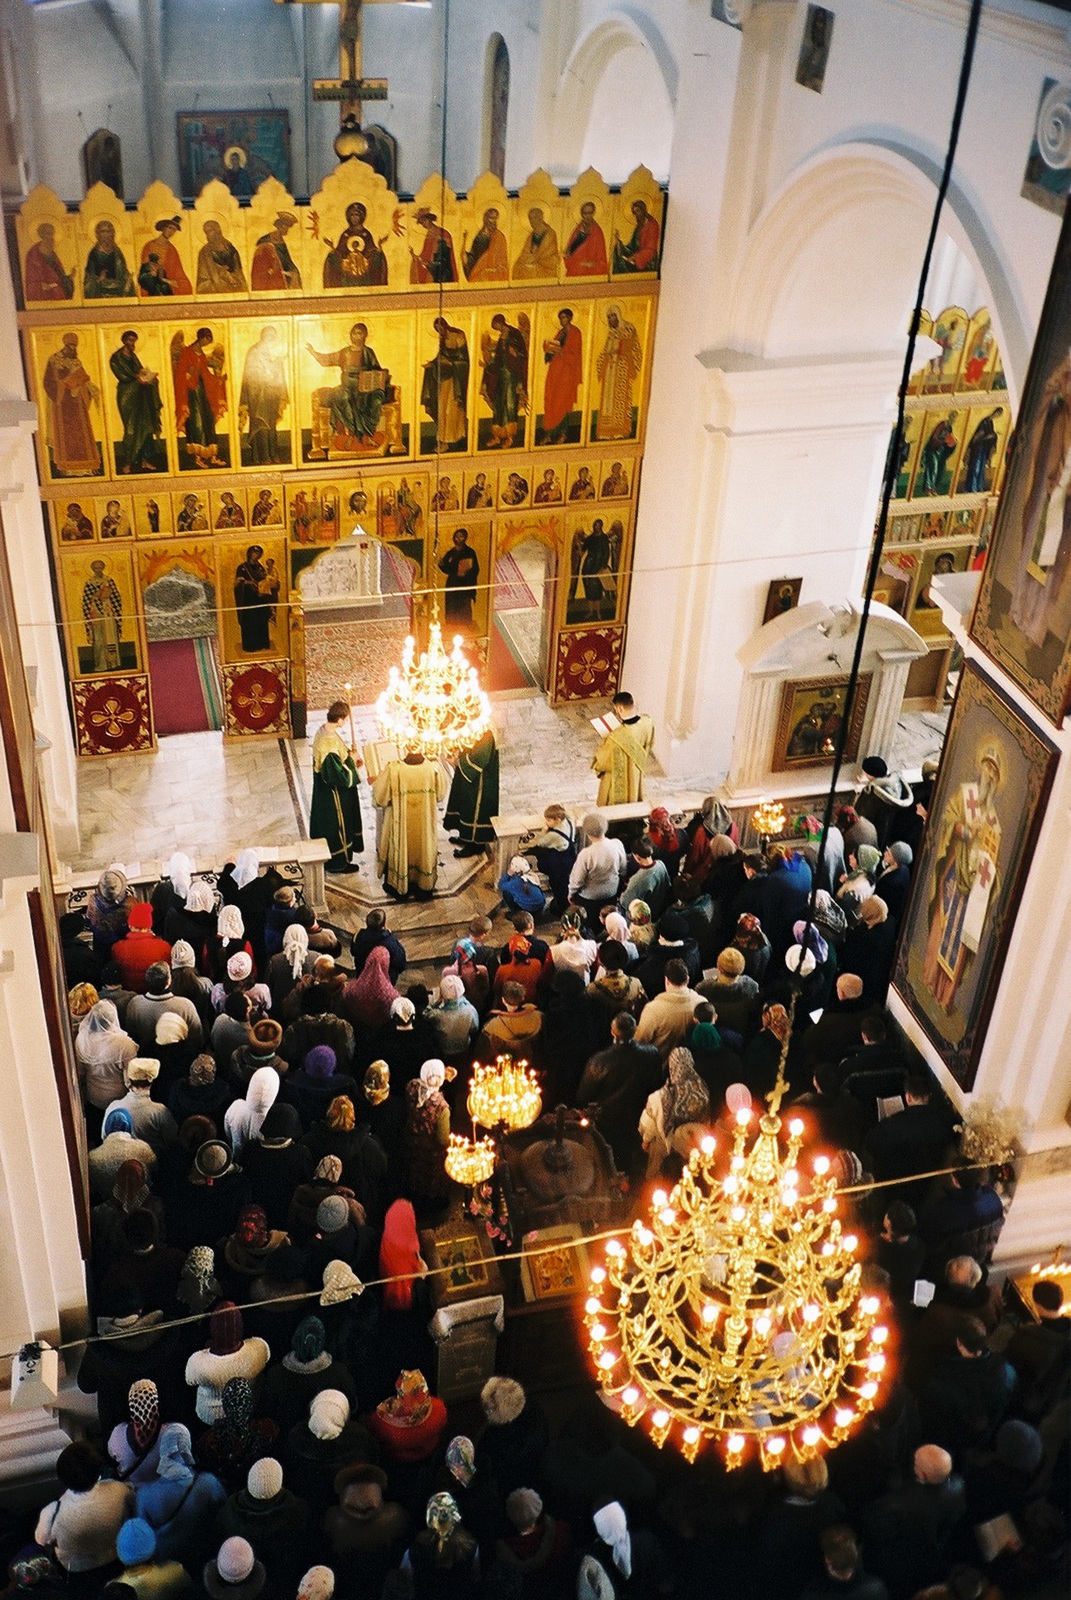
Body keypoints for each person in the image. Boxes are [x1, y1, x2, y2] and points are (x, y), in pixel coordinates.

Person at [923, 742, 1002, 1011]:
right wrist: (965, 832)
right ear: (981, 767)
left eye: (994, 773)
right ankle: (930, 977)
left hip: (971, 892)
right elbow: (947, 817)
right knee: (942, 922)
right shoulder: (965, 794)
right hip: (954, 873)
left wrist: (985, 861)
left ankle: (946, 995)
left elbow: (994, 858)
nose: (989, 775)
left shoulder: (992, 819)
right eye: (987, 768)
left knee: (959, 939)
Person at [372, 752, 448, 900]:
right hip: (424, 822)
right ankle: (423, 887)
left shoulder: (394, 770)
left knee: (401, 848)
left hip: (400, 824)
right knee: (424, 848)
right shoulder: (434, 768)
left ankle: (401, 886)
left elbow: (380, 796)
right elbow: (440, 795)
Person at [305, 322, 385, 446]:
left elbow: (377, 370)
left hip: (366, 388)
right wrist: (313, 352)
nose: (356, 336)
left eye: (359, 333)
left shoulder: (368, 352)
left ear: (365, 336)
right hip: (347, 387)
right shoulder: (345, 352)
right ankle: (352, 434)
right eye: (354, 333)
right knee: (342, 397)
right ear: (350, 335)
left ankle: (368, 436)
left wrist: (374, 378)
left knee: (376, 400)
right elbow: (328, 359)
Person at [639, 1045, 710, 1176]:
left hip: (670, 1152)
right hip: (697, 1147)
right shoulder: (703, 1089)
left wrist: (646, 1141)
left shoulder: (660, 1097)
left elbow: (648, 1126)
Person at [310, 701, 363, 875]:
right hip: (333, 795)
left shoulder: (324, 731)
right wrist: (352, 763)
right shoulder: (328, 743)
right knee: (337, 825)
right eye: (345, 719)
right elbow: (336, 775)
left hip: (324, 791)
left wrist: (349, 755)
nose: (345, 722)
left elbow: (339, 756)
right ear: (340, 719)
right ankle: (339, 863)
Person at [43, 331, 101, 476]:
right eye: (71, 347)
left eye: (75, 347)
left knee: (82, 435)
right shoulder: (54, 360)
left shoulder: (76, 361)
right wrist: (66, 383)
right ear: (65, 346)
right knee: (66, 436)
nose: (74, 350)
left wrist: (89, 387)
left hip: (78, 404)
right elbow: (49, 382)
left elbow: (83, 378)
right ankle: (67, 468)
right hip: (63, 405)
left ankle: (87, 467)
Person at [109, 330, 162, 474]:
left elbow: (140, 371)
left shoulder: (133, 356)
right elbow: (122, 376)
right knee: (131, 429)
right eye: (130, 340)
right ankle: (127, 462)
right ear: (124, 340)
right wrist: (136, 377)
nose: (132, 343)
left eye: (134, 341)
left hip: (140, 395)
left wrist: (148, 377)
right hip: (127, 396)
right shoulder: (116, 357)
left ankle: (145, 460)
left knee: (145, 427)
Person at [173, 325, 226, 466]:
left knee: (209, 421)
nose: (206, 344)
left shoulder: (201, 354)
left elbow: (206, 374)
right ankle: (198, 458)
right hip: (191, 394)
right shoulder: (186, 352)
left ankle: (212, 456)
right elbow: (179, 375)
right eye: (206, 341)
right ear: (201, 338)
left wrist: (218, 381)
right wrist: (188, 373)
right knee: (196, 424)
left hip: (202, 393)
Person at [443, 727, 499, 857]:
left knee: (474, 810)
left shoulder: (486, 732)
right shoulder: (472, 723)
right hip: (467, 776)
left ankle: (475, 845)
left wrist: (458, 761)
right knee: (464, 805)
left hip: (480, 780)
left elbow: (480, 757)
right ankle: (465, 836)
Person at [239, 325, 289, 466]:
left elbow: (271, 372)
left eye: (274, 335)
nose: (272, 338)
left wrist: (277, 364)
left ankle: (273, 454)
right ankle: (263, 456)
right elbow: (253, 376)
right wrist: (277, 363)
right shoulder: (254, 352)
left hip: (270, 394)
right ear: (264, 335)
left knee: (271, 426)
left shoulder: (267, 351)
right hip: (258, 396)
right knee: (262, 426)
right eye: (270, 335)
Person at [593, 692, 655, 804]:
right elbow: (650, 742)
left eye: (616, 709)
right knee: (634, 792)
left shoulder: (615, 737)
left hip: (620, 779)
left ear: (620, 708)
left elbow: (603, 761)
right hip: (636, 771)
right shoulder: (648, 722)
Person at [569, 813, 627, 930]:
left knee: (591, 924)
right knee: (607, 920)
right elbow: (623, 869)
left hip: (590, 897)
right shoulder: (617, 844)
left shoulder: (586, 854)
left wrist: (571, 893)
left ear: (588, 833)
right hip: (611, 891)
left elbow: (577, 880)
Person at [421, 316, 469, 451]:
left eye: (440, 328)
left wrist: (450, 363)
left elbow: (463, 360)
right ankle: (443, 440)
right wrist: (432, 364)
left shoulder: (458, 335)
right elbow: (441, 356)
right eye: (437, 329)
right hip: (444, 378)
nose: (439, 331)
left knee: (451, 410)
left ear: (445, 325)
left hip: (455, 382)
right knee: (442, 409)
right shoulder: (443, 339)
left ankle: (453, 438)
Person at [481, 313, 528, 448]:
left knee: (509, 405)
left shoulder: (514, 334)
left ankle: (509, 437)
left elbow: (523, 354)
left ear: (501, 322)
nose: (496, 329)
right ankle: (496, 436)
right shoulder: (502, 336)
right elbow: (498, 357)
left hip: (512, 375)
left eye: (496, 326)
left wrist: (516, 354)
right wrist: (488, 365)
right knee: (498, 405)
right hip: (501, 375)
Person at [595, 305, 642, 441]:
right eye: (609, 317)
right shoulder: (610, 333)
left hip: (622, 368)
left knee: (619, 399)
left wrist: (622, 351)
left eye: (613, 316)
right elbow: (605, 351)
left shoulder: (629, 329)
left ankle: (619, 431)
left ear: (618, 315)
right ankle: (606, 431)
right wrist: (603, 360)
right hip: (610, 371)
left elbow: (636, 349)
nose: (611, 319)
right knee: (607, 402)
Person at [541, 308, 583, 443]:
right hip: (555, 371)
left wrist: (561, 353)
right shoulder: (560, 333)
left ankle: (563, 434)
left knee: (562, 402)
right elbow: (553, 351)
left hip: (567, 373)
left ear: (570, 318)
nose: (562, 320)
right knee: (551, 400)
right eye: (560, 318)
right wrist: (548, 349)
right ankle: (549, 434)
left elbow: (575, 354)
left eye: (564, 317)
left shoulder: (575, 333)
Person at [322, 200, 387, 287]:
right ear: (348, 217)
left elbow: (372, 252)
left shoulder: (366, 234)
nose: (354, 218)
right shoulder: (346, 234)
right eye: (352, 215)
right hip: (347, 274)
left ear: (362, 217)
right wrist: (332, 250)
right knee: (330, 257)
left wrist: (378, 251)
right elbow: (340, 254)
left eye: (357, 215)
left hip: (364, 275)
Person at [854, 756, 914, 850]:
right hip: (890, 835)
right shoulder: (896, 786)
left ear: (870, 775)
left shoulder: (872, 794)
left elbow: (860, 814)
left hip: (871, 836)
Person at [232, 545, 280, 653]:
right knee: (250, 622)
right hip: (248, 599)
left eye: (257, 554)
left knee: (261, 620)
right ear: (249, 554)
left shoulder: (260, 568)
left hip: (260, 598)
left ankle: (263, 643)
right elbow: (237, 583)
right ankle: (250, 646)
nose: (255, 556)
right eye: (253, 553)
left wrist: (271, 585)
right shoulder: (242, 567)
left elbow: (265, 581)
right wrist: (248, 583)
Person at [437, 527, 480, 629]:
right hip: (453, 582)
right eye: (457, 537)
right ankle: (452, 624)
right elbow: (447, 569)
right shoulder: (451, 552)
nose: (458, 539)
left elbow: (475, 568)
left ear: (465, 538)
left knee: (464, 604)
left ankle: (465, 624)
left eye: (461, 537)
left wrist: (467, 571)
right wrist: (441, 565)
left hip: (465, 582)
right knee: (452, 604)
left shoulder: (470, 552)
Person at [84, 218, 135, 298]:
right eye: (103, 231)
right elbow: (89, 278)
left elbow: (123, 271)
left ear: (112, 234)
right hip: (101, 294)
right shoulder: (94, 254)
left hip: (119, 293)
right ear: (97, 235)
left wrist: (128, 279)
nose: (106, 235)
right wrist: (98, 280)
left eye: (108, 231)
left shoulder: (117, 252)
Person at [24, 221, 73, 301]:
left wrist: (68, 278)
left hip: (58, 292)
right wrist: (40, 286)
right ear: (41, 235)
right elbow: (31, 279)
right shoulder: (34, 253)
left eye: (52, 234)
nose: (51, 237)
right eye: (48, 234)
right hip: (44, 294)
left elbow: (59, 274)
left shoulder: (52, 253)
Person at [251, 212, 301, 290]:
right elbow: (261, 263)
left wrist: (293, 270)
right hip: (271, 275)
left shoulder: (281, 241)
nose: (287, 230)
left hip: (281, 272)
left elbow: (287, 260)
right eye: (285, 227)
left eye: (288, 228)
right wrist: (277, 270)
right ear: (279, 226)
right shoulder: (266, 241)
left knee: (295, 273)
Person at [196, 219, 247, 294]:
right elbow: (201, 284)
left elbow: (239, 274)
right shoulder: (204, 253)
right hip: (213, 292)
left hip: (233, 291)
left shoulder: (230, 249)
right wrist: (221, 274)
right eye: (206, 233)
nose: (208, 235)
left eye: (210, 231)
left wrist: (233, 278)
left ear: (218, 231)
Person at [409, 207, 457, 284]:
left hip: (442, 273)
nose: (423, 225)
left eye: (423, 222)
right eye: (421, 223)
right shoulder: (428, 236)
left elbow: (445, 258)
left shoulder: (443, 234)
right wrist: (415, 256)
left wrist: (430, 265)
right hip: (431, 269)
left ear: (428, 219)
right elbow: (425, 255)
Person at [612, 198, 661, 272]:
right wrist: (619, 243)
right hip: (637, 259)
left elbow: (651, 250)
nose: (636, 215)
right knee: (617, 258)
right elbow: (632, 246)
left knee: (623, 267)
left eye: (638, 211)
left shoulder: (652, 225)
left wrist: (635, 258)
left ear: (643, 210)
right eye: (634, 212)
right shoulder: (639, 226)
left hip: (648, 262)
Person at [563, 200, 608, 276]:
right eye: (585, 213)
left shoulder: (597, 231)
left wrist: (591, 264)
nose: (587, 216)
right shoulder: (578, 230)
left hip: (592, 269)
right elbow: (569, 253)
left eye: (590, 213)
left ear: (593, 213)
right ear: (582, 214)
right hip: (578, 268)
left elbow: (601, 257)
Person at [464, 207, 508, 281]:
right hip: (479, 273)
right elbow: (474, 257)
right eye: (491, 218)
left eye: (495, 218)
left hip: (495, 273)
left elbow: (503, 259)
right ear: (486, 219)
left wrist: (496, 269)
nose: (493, 221)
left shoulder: (499, 236)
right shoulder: (479, 237)